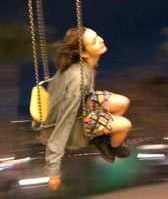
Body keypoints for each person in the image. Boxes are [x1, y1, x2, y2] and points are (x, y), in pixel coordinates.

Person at [38, 27, 132, 191]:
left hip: (83, 102)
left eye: (97, 35)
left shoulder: (83, 65)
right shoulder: (77, 79)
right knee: (124, 125)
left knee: (123, 102)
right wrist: (53, 170)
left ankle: (100, 137)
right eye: (94, 41)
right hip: (76, 122)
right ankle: (109, 146)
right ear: (84, 53)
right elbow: (63, 124)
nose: (101, 39)